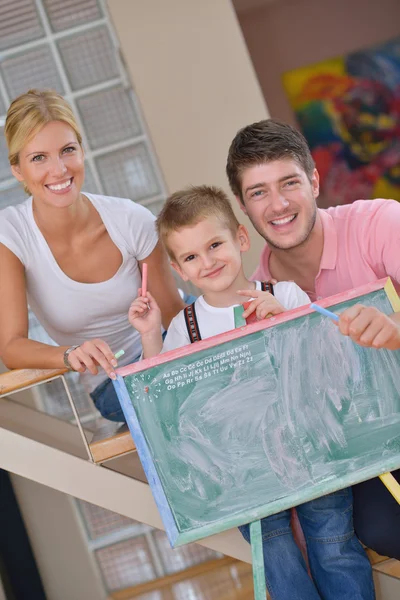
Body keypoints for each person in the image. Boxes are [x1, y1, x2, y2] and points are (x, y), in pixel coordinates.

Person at [129, 185, 375, 600]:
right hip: (240, 469)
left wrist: (288, 321)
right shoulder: (184, 328)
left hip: (313, 446)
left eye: (214, 245)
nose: (207, 262)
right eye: (191, 257)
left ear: (241, 239)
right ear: (179, 270)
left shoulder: (285, 294)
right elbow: (159, 392)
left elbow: (330, 361)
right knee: (275, 551)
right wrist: (151, 333)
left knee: (334, 543)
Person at [226, 118, 400, 559]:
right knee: (380, 527)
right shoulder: (254, 302)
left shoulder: (380, 224)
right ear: (243, 207)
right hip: (367, 455)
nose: (278, 204)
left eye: (289, 183)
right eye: (258, 192)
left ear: (315, 181)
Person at [0, 89, 184, 422]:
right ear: (17, 169)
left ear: (82, 151)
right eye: (38, 158)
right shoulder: (11, 234)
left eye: (68, 150)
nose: (58, 170)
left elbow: (174, 316)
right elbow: (11, 347)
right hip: (111, 383)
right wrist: (69, 355)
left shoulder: (130, 220)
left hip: (170, 348)